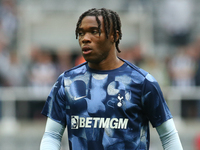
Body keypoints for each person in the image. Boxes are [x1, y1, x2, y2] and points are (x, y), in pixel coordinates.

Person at [40, 8, 183, 150]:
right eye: (81, 33)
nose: (85, 38)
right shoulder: (66, 82)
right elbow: (52, 135)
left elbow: (168, 136)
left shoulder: (143, 82)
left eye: (94, 31)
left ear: (114, 36)